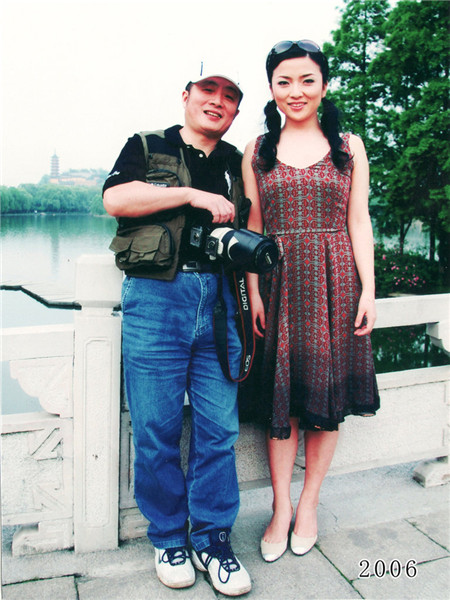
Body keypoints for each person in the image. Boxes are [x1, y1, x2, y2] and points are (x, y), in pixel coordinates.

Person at [103, 67, 252, 596]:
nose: (217, 101)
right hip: (156, 300)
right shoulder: (147, 145)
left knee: (219, 429)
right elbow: (116, 201)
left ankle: (212, 537)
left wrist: (252, 300)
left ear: (236, 111)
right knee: (156, 428)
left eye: (230, 97)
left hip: (220, 305)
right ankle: (168, 537)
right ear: (186, 96)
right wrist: (191, 196)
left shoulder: (239, 163)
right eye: (208, 90)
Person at [242, 40, 380, 562]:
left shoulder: (349, 145)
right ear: (272, 88)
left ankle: (310, 504)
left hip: (336, 282)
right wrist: (253, 290)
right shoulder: (258, 148)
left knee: (324, 404)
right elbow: (253, 225)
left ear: (323, 85)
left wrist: (369, 288)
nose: (295, 91)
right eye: (284, 81)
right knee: (283, 401)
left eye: (306, 80)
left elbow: (358, 220)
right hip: (277, 286)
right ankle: (280, 509)